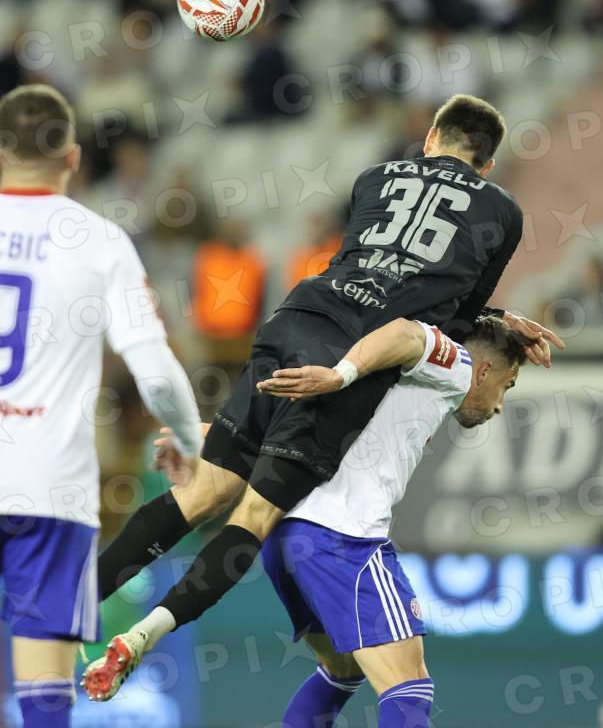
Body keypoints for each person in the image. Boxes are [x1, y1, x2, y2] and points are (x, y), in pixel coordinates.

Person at [83, 93, 564, 700]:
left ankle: (72, 601)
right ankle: (143, 634)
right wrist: (494, 320)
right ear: (488, 165)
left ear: (430, 139)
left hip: (297, 314)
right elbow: (451, 317)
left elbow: (371, 260)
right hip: (349, 349)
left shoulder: (375, 176)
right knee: (253, 517)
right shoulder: (503, 210)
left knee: (202, 491)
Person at [86, 312, 526, 727]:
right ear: (484, 370)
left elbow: (312, 424)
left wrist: (223, 438)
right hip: (344, 537)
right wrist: (344, 374)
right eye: (506, 385)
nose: (500, 404)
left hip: (284, 531)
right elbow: (406, 330)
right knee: (409, 687)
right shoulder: (450, 364)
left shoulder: (392, 371)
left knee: (342, 669)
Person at [0, 84, 203, 728]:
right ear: (73, 157)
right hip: (48, 486)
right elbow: (155, 371)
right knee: (43, 686)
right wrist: (191, 443)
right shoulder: (97, 240)